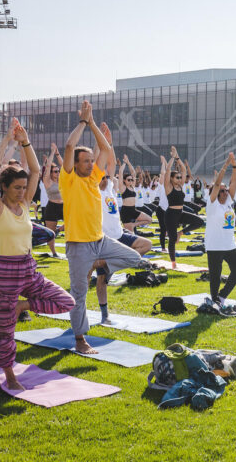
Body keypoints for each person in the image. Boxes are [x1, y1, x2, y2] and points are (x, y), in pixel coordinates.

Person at [0, 118, 75, 390]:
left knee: (66, 302)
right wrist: (6, 140)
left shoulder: (24, 204)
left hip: (28, 268)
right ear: (4, 187)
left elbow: (35, 170)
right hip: (3, 273)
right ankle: (10, 376)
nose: (23, 192)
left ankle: (22, 306)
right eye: (17, 187)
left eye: (24, 188)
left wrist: (25, 142)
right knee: (4, 332)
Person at [61, 100, 144, 354]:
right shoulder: (69, 180)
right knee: (79, 295)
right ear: (75, 164)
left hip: (100, 242)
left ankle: (100, 265)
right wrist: (83, 122)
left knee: (135, 258)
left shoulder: (94, 178)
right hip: (78, 246)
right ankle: (80, 339)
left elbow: (106, 149)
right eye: (86, 161)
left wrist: (93, 123)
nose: (90, 164)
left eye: (91, 160)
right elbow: (69, 146)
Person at [95, 136, 151, 324]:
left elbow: (111, 163)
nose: (106, 179)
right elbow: (98, 162)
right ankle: (105, 315)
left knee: (146, 245)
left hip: (120, 234)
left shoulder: (110, 188)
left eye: (107, 177)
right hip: (105, 240)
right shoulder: (94, 191)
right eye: (102, 177)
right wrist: (99, 143)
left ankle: (108, 263)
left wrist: (108, 142)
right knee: (102, 281)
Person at [205, 152, 236, 313]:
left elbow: (233, 183)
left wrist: (235, 166)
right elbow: (217, 185)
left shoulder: (228, 201)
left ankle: (221, 297)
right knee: (215, 275)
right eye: (222, 191)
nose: (225, 192)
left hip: (229, 245)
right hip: (215, 245)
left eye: (226, 190)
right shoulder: (212, 204)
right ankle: (215, 301)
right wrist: (226, 165)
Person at [41, 144, 65, 257]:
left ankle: (59, 230)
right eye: (55, 171)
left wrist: (57, 154)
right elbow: (48, 166)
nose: (58, 172)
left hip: (64, 206)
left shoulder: (63, 180)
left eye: (58, 171)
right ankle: (54, 253)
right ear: (51, 173)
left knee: (74, 222)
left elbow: (64, 167)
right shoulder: (48, 181)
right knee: (50, 232)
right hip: (52, 207)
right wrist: (51, 153)